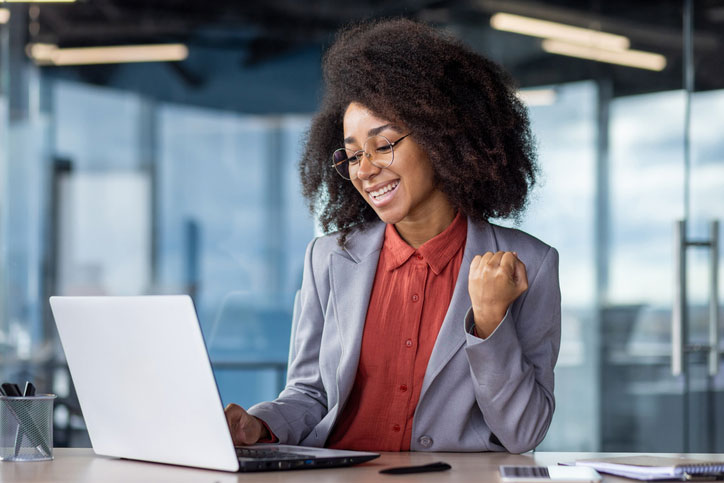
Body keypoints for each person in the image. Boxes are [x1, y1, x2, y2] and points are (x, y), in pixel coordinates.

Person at [225, 18, 561, 453]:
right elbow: (309, 394)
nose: (364, 170)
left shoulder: (527, 264)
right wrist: (258, 424)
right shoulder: (327, 258)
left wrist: (491, 321)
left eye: (383, 146)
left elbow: (524, 433)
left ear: (442, 137)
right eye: (351, 155)